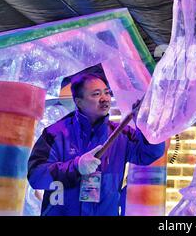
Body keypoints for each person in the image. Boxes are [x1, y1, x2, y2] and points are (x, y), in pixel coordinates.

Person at [27, 73, 165, 216]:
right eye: (96, 94)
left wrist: (145, 125)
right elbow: (37, 177)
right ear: (79, 102)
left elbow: (149, 154)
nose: (105, 98)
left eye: (107, 92)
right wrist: (76, 167)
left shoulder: (121, 134)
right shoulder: (55, 134)